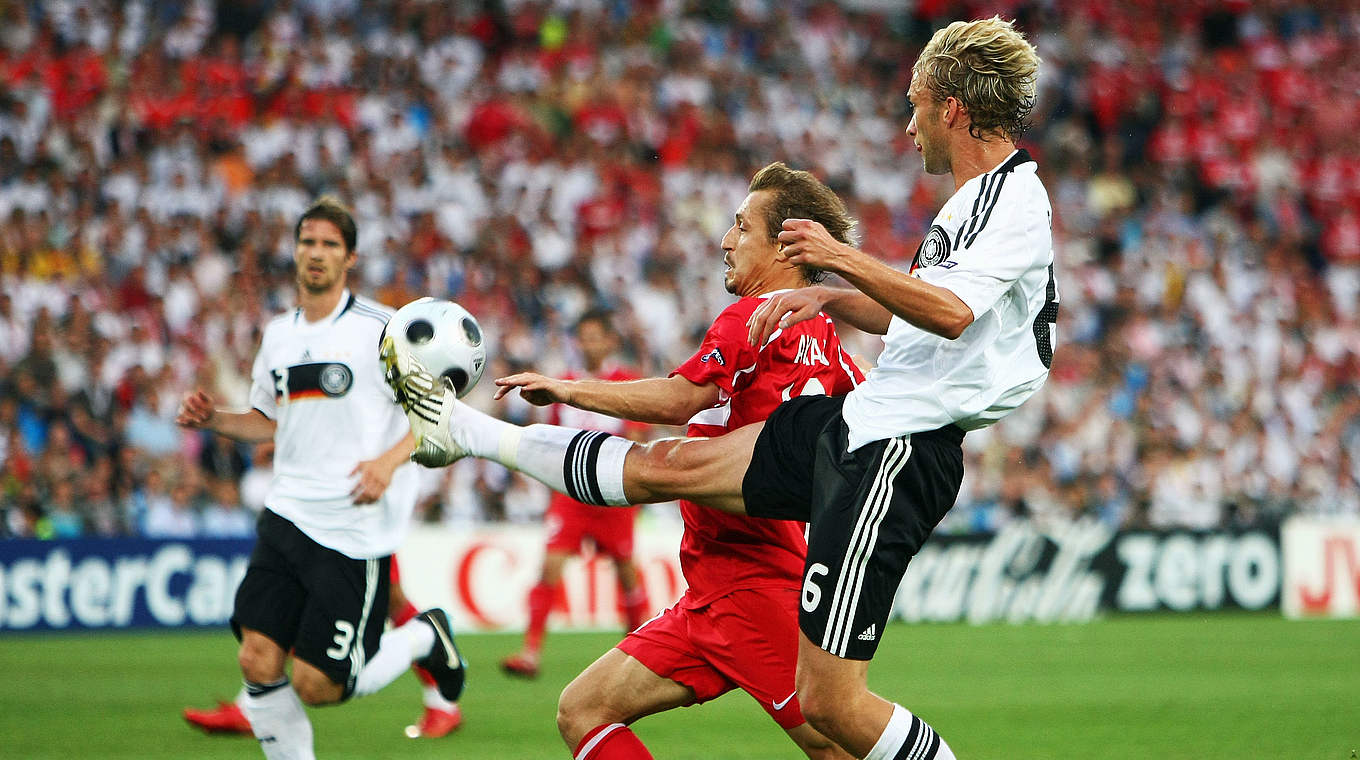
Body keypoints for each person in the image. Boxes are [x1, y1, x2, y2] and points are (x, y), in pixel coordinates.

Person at [388, 17, 1054, 760]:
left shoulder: (1009, 202)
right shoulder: (958, 215)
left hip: (860, 478)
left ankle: (469, 433)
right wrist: (831, 294)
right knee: (587, 700)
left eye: (916, 104)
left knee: (832, 712)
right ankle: (466, 433)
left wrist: (836, 262)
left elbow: (953, 314)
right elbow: (921, 318)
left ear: (952, 109)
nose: (908, 126)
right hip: (845, 444)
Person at [494, 162, 862, 759]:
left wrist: (568, 387)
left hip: (752, 583)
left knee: (835, 746)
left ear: (786, 246)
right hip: (711, 589)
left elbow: (680, 397)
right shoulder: (821, 334)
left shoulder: (754, 315)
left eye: (743, 227)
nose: (725, 240)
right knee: (582, 709)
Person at [178, 196, 467, 760]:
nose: (316, 253)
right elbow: (269, 421)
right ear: (294, 251)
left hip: (352, 531)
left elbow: (440, 412)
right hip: (286, 516)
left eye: (329, 244)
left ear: (350, 257)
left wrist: (387, 463)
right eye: (308, 241)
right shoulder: (277, 334)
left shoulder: (385, 329)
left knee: (320, 685)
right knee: (257, 659)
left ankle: (423, 636)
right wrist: (213, 419)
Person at [500, 309, 651, 679]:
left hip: (613, 492)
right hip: (571, 494)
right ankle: (530, 653)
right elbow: (553, 438)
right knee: (549, 567)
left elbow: (637, 434)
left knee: (626, 572)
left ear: (610, 341)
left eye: (594, 336)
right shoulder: (563, 384)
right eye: (582, 337)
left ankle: (638, 650)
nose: (588, 344)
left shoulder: (625, 382)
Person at [182, 557, 464, 739]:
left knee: (392, 601)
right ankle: (250, 706)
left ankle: (441, 695)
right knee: (291, 603)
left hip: (354, 516)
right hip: (314, 511)